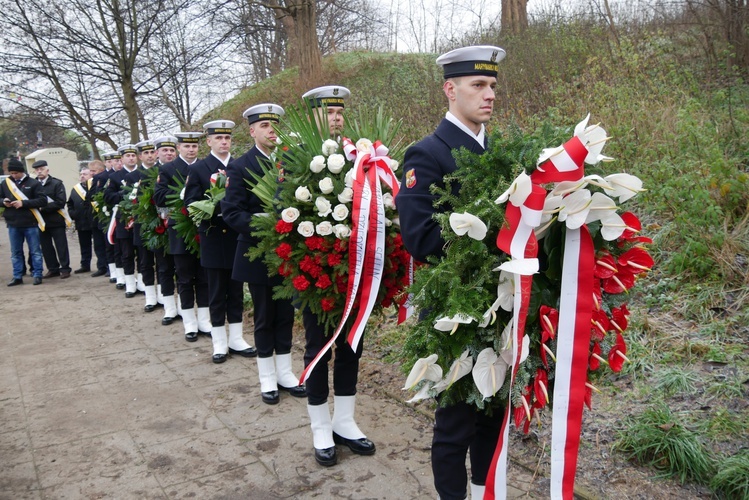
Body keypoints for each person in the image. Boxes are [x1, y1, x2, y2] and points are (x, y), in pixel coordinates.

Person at [395, 45, 506, 500]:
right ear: (450, 89)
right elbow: (420, 239)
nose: (489, 95)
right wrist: (487, 231)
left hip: (501, 302)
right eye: (478, 85)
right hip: (455, 310)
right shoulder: (427, 154)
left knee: (493, 413)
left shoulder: (496, 149)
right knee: (456, 423)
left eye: (493, 86)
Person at [296, 85, 376, 468]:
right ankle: (320, 426)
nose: (337, 118)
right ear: (313, 115)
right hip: (314, 274)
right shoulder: (295, 156)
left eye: (340, 111)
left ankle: (344, 420)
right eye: (329, 112)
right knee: (318, 346)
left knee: (352, 344)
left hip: (355, 270)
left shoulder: (356, 153)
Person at [222, 104, 307, 405]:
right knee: (264, 316)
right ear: (252, 131)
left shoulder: (291, 161)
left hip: (288, 253)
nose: (272, 130)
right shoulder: (241, 165)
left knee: (286, 313)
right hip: (259, 253)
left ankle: (285, 371)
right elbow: (231, 212)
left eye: (275, 124)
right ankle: (266, 377)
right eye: (265, 125)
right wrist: (268, 225)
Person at [183, 120, 257, 363]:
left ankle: (236, 338)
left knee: (236, 290)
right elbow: (190, 204)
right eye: (219, 138)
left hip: (237, 237)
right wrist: (214, 208)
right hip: (214, 237)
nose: (224, 142)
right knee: (216, 291)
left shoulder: (240, 166)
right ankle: (219, 342)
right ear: (209, 141)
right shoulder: (200, 169)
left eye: (227, 138)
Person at [153, 131, 211, 340]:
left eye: (194, 146)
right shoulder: (167, 169)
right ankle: (189, 322)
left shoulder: (206, 166)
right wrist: (179, 194)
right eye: (186, 146)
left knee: (204, 276)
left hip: (204, 228)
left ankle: (204, 320)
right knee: (185, 277)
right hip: (179, 229)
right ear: (179, 148)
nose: (191, 149)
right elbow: (158, 196)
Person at [2, 158, 47, 285]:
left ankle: (37, 274)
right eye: (11, 173)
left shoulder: (34, 183)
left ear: (22, 171)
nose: (14, 176)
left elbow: (42, 200)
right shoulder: (6, 184)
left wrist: (23, 203)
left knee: (35, 251)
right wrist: (4, 202)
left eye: (16, 173)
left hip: (30, 222)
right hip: (13, 223)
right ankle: (17, 275)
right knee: (15, 252)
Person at [152, 136, 180, 323]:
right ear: (157, 153)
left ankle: (184, 305)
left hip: (180, 224)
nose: (169, 153)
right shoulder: (152, 172)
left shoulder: (182, 168)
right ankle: (169, 306)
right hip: (158, 226)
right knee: (164, 266)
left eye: (171, 150)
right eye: (165, 151)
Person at [104, 144, 139, 295]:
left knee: (143, 253)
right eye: (127, 156)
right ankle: (130, 282)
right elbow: (108, 196)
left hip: (140, 217)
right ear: (122, 159)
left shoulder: (142, 173)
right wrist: (125, 196)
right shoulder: (115, 177)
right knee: (126, 252)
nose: (131, 158)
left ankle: (143, 281)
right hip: (123, 219)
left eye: (133, 155)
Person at [33, 160, 72, 279]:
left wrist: (42, 208)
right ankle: (52, 268)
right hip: (41, 221)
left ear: (47, 170)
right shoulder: (33, 184)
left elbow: (60, 202)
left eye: (42, 169)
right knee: (46, 247)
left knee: (61, 246)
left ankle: (65, 268)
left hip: (56, 220)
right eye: (37, 169)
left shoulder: (56, 183)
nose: (39, 171)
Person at [66, 167, 97, 273]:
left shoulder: (95, 186)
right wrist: (73, 214)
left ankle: (102, 265)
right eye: (81, 174)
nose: (82, 176)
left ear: (91, 175)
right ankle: (85, 265)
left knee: (98, 245)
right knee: (84, 245)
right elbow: (69, 203)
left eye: (85, 174)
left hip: (94, 221)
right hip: (81, 222)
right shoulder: (75, 189)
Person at [86, 160, 109, 277]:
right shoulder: (92, 180)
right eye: (90, 171)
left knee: (104, 243)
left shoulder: (100, 178)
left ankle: (106, 266)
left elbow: (91, 196)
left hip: (102, 215)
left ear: (100, 170)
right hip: (95, 217)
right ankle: (102, 266)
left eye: (93, 171)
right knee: (99, 244)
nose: (91, 173)